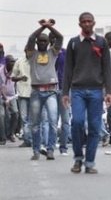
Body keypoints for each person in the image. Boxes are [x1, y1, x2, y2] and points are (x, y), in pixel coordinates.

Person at [63, 12, 111, 174]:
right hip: (77, 90)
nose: (86, 24)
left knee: (94, 126)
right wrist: (65, 92)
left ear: (93, 23)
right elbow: (68, 69)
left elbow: (107, 68)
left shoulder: (101, 42)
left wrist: (109, 92)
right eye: (83, 22)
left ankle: (90, 162)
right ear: (79, 24)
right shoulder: (73, 43)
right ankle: (78, 158)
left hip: (96, 91)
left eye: (89, 21)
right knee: (77, 122)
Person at [25, 19, 63, 160]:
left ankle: (50, 149)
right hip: (36, 92)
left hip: (51, 92)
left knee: (53, 122)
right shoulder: (31, 53)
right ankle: (36, 151)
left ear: (48, 43)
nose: (42, 43)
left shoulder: (53, 53)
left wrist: (49, 27)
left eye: (44, 41)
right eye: (40, 41)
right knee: (35, 124)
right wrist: (42, 28)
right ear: (37, 43)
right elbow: (30, 38)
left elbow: (60, 38)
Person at [11, 51, 32, 148]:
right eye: (28, 50)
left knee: (34, 119)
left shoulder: (36, 61)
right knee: (24, 118)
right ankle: (27, 140)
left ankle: (34, 139)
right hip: (23, 94)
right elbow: (12, 77)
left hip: (34, 94)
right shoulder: (19, 62)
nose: (30, 52)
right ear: (25, 51)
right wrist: (20, 78)